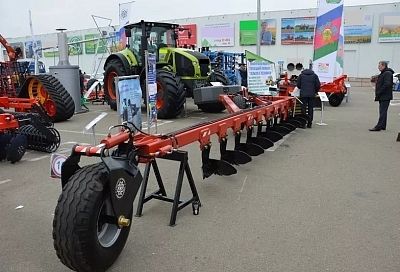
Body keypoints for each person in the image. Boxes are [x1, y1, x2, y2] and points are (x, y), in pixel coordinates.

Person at [369, 61, 394, 131]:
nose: (378, 67)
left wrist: (379, 91)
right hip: (383, 96)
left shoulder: (387, 73)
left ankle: (378, 126)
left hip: (385, 96)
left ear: (384, 66)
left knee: (382, 111)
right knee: (383, 111)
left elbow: (387, 84)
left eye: (379, 66)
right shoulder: (384, 73)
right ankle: (383, 125)